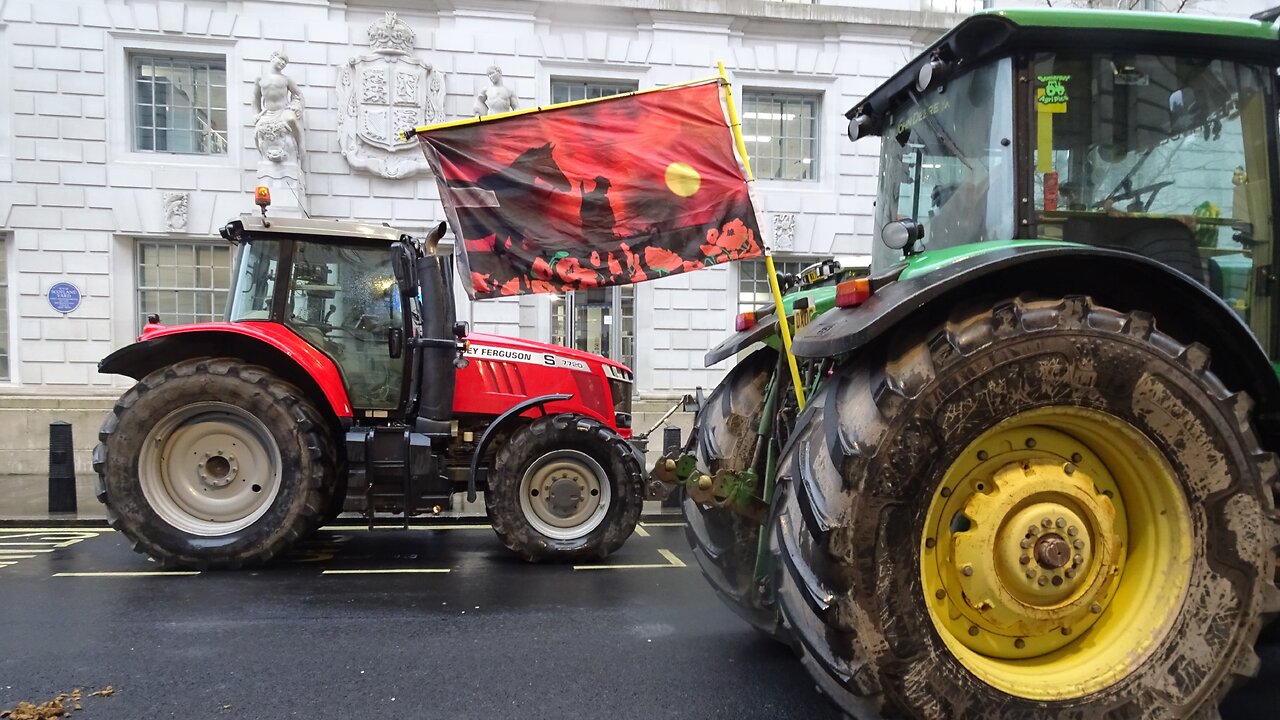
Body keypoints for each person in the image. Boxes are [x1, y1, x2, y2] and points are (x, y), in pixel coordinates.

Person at [254, 51, 305, 164]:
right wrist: (256, 114)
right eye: (281, 59)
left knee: (292, 120)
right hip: (268, 113)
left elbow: (298, 95)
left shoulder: (286, 79)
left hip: (283, 111)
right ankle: (263, 155)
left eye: (285, 62)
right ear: (272, 58)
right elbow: (256, 98)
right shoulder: (260, 79)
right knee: (257, 130)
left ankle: (300, 145)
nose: (283, 63)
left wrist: (295, 106)